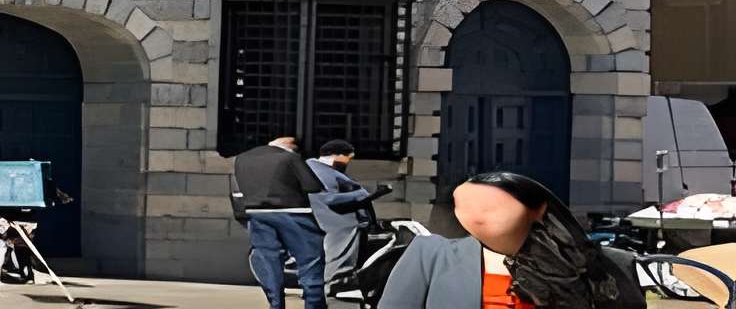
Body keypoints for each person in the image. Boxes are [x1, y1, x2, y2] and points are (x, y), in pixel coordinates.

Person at [377, 171, 641, 309]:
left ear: (537, 210)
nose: (477, 217)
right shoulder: (430, 255)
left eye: (491, 207)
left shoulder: (598, 265)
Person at [235, 132, 330, 309]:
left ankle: (275, 304)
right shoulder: (289, 157)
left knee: (269, 263)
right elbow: (313, 186)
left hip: (257, 214)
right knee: (310, 260)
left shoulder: (242, 158)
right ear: (291, 145)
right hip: (293, 212)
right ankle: (314, 305)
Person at [310, 140, 384, 291]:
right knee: (337, 263)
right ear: (337, 155)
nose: (348, 162)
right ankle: (333, 286)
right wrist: (361, 194)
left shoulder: (323, 170)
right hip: (339, 225)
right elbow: (327, 198)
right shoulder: (320, 171)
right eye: (348, 158)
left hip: (340, 223)